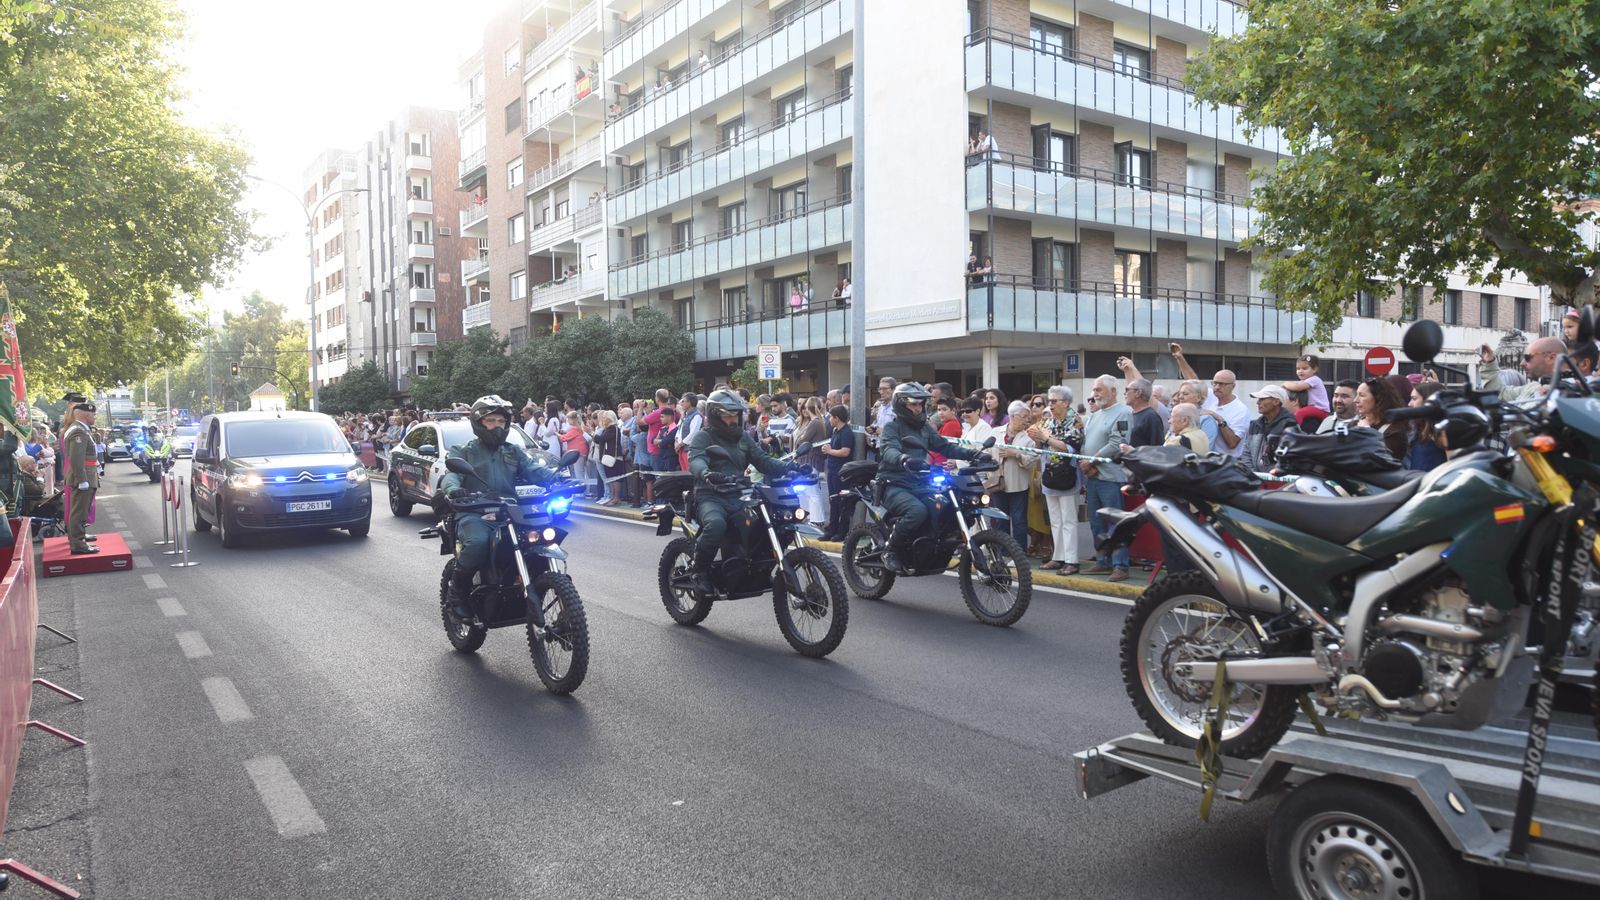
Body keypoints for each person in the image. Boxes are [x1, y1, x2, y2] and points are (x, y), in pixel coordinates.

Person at [438, 396, 564, 618]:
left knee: (542, 535)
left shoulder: (513, 451)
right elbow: (451, 475)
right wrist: (453, 489)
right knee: (479, 543)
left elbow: (534, 469)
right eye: (491, 420)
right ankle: (457, 594)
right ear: (479, 423)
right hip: (476, 513)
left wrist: (557, 478)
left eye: (501, 421)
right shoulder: (464, 451)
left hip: (510, 512)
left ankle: (544, 587)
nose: (497, 426)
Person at [688, 390, 802, 594]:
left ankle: (754, 567)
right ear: (715, 415)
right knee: (716, 525)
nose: (732, 420)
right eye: (727, 415)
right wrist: (706, 473)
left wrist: (790, 467)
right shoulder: (703, 438)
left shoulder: (743, 438)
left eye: (735, 415)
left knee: (761, 525)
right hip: (710, 495)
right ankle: (699, 571)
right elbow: (696, 460)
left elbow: (762, 460)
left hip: (740, 494)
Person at [875, 383, 985, 573]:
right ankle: (890, 550)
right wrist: (902, 458)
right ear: (901, 405)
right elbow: (889, 450)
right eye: (913, 404)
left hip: (919, 482)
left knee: (944, 506)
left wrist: (974, 455)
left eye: (920, 404)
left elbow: (945, 446)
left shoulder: (925, 428)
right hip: (894, 483)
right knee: (917, 511)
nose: (918, 408)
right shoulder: (893, 428)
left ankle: (932, 545)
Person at [1080, 375, 1131, 581]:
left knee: (1115, 523)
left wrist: (1092, 461)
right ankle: (1102, 561)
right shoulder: (1094, 415)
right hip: (1093, 477)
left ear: (1113, 391)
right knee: (1096, 522)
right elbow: (1086, 440)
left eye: (1099, 390)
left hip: (1111, 477)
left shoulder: (1123, 413)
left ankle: (1120, 565)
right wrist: (1086, 462)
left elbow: (1117, 443)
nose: (1095, 394)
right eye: (1094, 390)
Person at [1028, 385, 1081, 573]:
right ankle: (1058, 557)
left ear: (1066, 403)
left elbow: (1069, 447)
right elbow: (1040, 446)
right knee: (1055, 519)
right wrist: (1036, 438)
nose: (1049, 405)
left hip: (1067, 475)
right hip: (1049, 474)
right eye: (1049, 401)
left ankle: (1072, 560)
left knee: (1068, 519)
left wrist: (1045, 438)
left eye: (1053, 401)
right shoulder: (1048, 422)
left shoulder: (1074, 421)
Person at [1170, 343, 1248, 457]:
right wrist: (1180, 358)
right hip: (1207, 461)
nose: (1216, 387)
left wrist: (1219, 419)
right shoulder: (1212, 395)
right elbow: (1194, 382)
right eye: (1214, 383)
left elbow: (1233, 443)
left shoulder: (1241, 410)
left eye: (1222, 384)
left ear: (1233, 386)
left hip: (1225, 464)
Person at [63, 402, 100, 554]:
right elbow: (76, 458)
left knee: (82, 510)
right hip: (83, 476)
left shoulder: (82, 430)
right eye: (93, 415)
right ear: (86, 415)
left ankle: (79, 537)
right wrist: (82, 479)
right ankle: (78, 544)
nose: (95, 417)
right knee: (79, 511)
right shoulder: (78, 431)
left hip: (88, 474)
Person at [1479, 338, 1562, 402]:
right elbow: (1500, 393)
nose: (1522, 363)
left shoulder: (1567, 395)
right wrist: (1489, 362)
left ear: (1550, 358)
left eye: (1528, 357)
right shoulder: (1532, 387)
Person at [819, 404, 856, 542]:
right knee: (833, 500)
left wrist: (830, 451)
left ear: (837, 418)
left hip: (841, 472)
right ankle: (831, 529)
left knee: (841, 502)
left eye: (831, 417)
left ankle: (841, 532)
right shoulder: (836, 431)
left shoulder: (846, 432)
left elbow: (845, 451)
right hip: (833, 470)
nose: (829, 419)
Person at [1242, 385, 1298, 471]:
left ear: (1276, 401)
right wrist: (1253, 475)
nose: (1258, 403)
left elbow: (1289, 459)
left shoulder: (1289, 425)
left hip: (1278, 481)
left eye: (1262, 399)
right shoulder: (1254, 425)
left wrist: (1271, 477)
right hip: (1254, 479)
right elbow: (1246, 452)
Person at [1356, 377, 1408, 460]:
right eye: (1356, 395)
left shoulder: (1394, 432)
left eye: (1362, 395)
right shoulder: (1354, 424)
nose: (1356, 400)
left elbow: (1381, 459)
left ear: (1378, 398)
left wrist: (1366, 431)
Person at [1403, 382, 1447, 471]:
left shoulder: (1444, 431)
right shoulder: (1417, 428)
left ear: (1428, 401)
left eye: (1414, 399)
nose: (1409, 404)